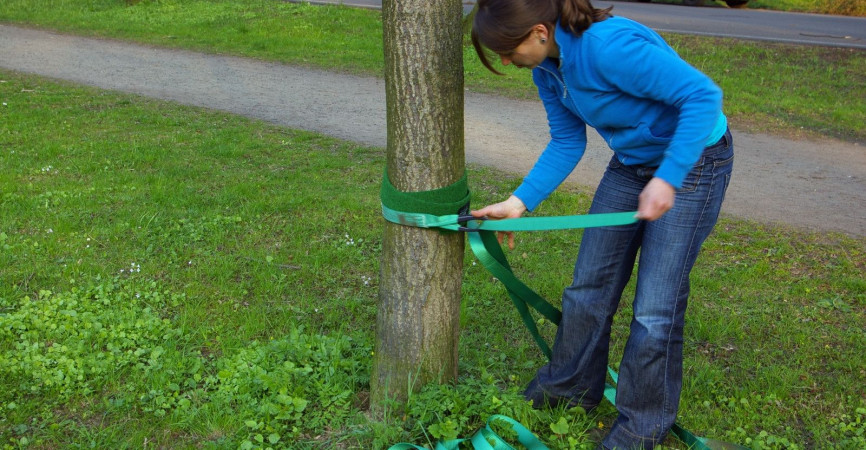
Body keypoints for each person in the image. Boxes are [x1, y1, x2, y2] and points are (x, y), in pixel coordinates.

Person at [469, 0, 734, 448]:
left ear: (538, 32)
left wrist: (668, 177)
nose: (504, 61)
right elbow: (566, 140)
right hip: (631, 165)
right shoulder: (548, 69)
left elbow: (703, 96)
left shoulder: (609, 47)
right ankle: (569, 389)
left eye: (505, 50)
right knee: (589, 284)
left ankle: (642, 424)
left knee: (655, 309)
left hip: (694, 164)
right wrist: (519, 202)